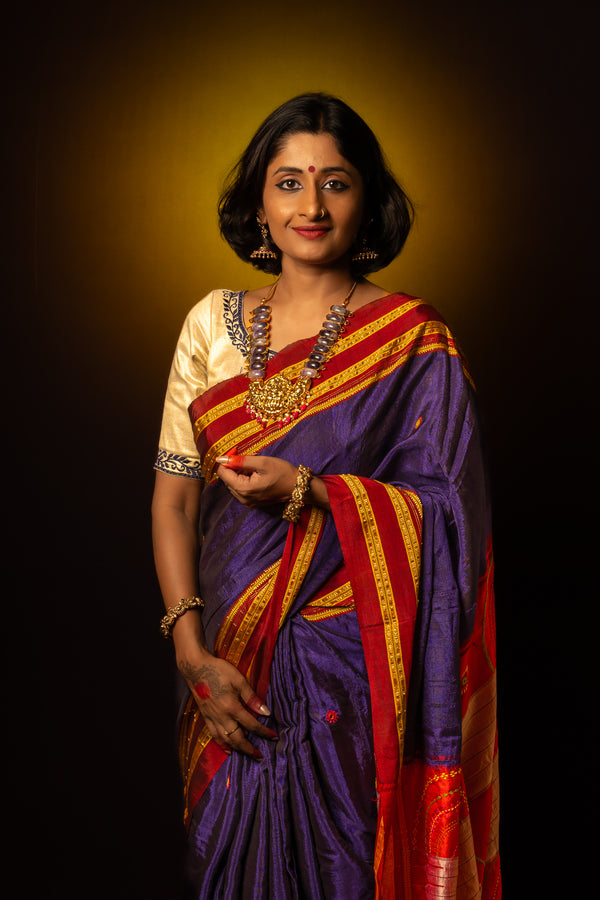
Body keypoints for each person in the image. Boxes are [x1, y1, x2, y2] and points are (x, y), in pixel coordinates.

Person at [151, 92, 501, 899]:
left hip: (356, 672)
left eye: (336, 183)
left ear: (368, 202)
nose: (311, 205)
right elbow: (172, 503)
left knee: (348, 866)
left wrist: (311, 492)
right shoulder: (209, 325)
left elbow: (453, 519)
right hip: (226, 662)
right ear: (258, 203)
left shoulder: (416, 339)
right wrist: (192, 654)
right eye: (289, 181)